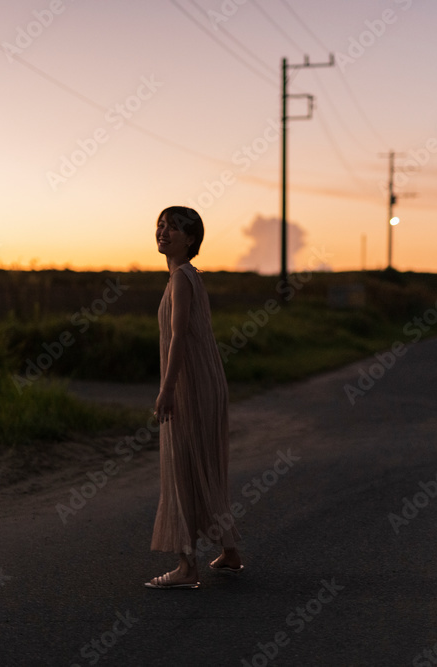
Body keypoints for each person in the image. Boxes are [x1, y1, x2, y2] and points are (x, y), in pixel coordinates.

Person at [145, 206, 243, 590]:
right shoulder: (183, 277)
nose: (163, 232)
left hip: (191, 386)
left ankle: (186, 567)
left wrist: (167, 390)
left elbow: (180, 336)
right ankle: (230, 552)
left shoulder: (182, 278)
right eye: (160, 226)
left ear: (191, 239)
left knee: (182, 466)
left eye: (173, 228)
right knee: (204, 464)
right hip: (204, 382)